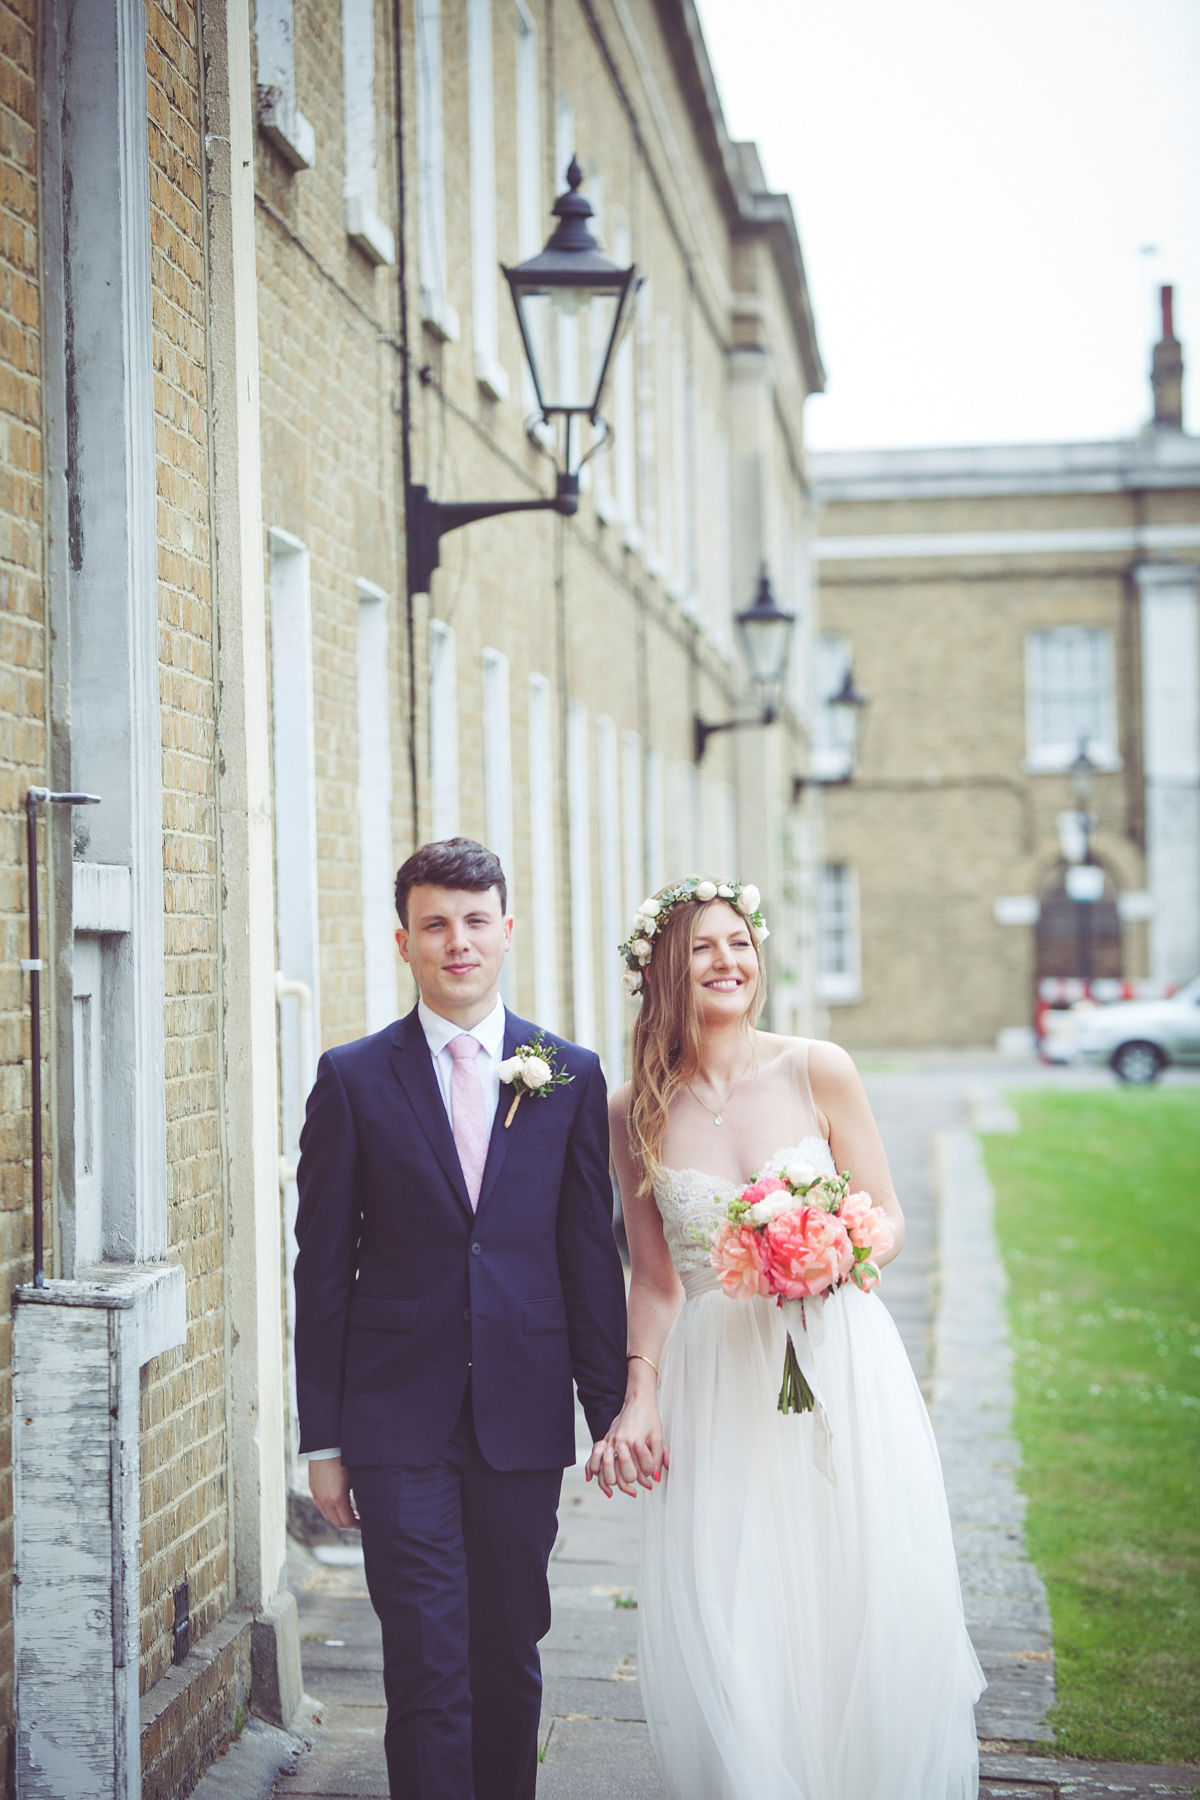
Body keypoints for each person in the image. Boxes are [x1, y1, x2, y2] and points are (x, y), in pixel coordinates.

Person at [591, 878, 984, 1800]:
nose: (729, 963)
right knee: (740, 1603)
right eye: (703, 949)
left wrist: (837, 1247)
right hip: (719, 1381)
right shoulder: (630, 1111)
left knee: (856, 1583)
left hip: (837, 1354)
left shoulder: (819, 1068)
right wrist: (639, 1392)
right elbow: (653, 1278)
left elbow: (886, 1213)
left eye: (741, 944)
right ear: (662, 971)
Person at [294, 838, 628, 1800]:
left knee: (509, 1648)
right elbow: (322, 1269)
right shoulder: (354, 1078)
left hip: (523, 1418)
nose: (458, 942)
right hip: (397, 1420)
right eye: (435, 924)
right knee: (428, 1660)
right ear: (404, 941)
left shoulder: (566, 1074)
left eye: (476, 921)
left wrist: (608, 1417)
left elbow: (588, 1262)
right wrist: (325, 1437)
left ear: (507, 932)